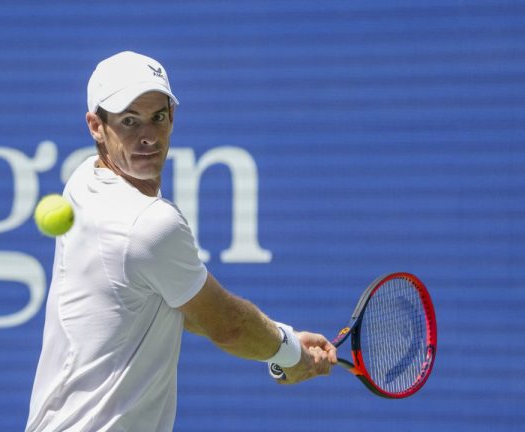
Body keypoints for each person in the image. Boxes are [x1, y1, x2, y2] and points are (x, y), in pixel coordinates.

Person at [26, 51, 336, 432]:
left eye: (157, 117)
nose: (148, 137)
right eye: (128, 121)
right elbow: (227, 324)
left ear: (173, 115)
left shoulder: (84, 180)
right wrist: (289, 351)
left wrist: (283, 345)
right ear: (95, 125)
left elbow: (182, 304)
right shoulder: (149, 223)